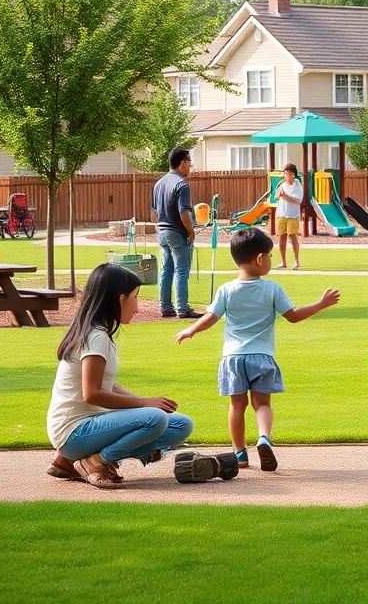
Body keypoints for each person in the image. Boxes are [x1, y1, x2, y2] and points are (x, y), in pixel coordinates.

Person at [175, 227, 340, 471]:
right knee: (262, 404)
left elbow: (211, 317)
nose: (271, 261)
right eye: (270, 256)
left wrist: (191, 330)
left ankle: (240, 453)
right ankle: (264, 437)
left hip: (232, 358)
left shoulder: (226, 290)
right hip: (261, 357)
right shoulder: (271, 288)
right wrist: (321, 304)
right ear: (260, 259)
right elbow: (293, 316)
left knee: (237, 406)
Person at [46, 264, 195, 489]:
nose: (137, 307)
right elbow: (92, 394)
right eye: (135, 297)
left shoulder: (99, 333)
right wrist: (145, 405)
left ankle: (68, 461)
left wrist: (144, 404)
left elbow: (109, 384)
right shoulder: (96, 337)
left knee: (181, 424)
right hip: (74, 432)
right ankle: (93, 462)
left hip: (88, 428)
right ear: (118, 299)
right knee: (155, 419)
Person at [152, 147, 201, 319]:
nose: (190, 166)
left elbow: (153, 211)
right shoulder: (181, 185)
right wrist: (191, 231)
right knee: (181, 270)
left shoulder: (159, 184)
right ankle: (182, 308)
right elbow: (184, 212)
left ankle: (165, 307)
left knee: (166, 270)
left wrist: (159, 227)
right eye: (189, 162)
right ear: (182, 163)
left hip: (162, 231)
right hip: (178, 232)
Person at [275, 163, 304, 269]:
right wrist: (281, 195)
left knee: (293, 236)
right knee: (281, 237)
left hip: (293, 215)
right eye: (285, 173)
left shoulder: (297, 186)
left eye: (288, 173)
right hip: (281, 214)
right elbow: (277, 196)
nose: (286, 175)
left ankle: (296, 260)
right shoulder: (282, 184)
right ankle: (283, 262)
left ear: (293, 174)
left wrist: (286, 196)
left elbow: (297, 200)